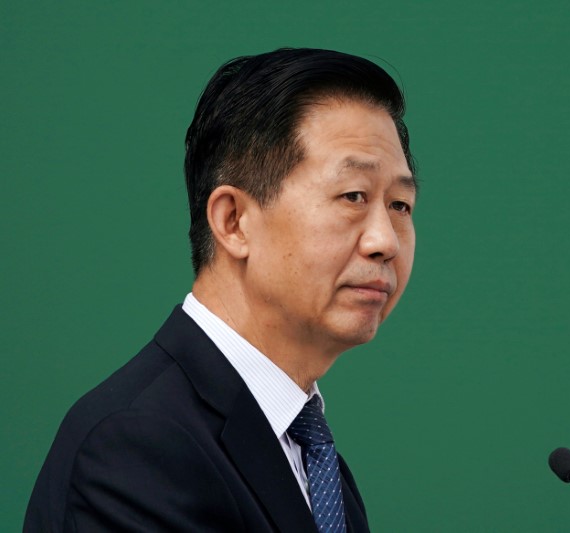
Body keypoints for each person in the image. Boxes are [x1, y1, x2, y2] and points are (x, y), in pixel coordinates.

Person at [24, 48, 417, 532]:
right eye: (353, 196)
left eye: (400, 204)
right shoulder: (139, 446)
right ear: (233, 222)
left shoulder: (313, 456)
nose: (385, 241)